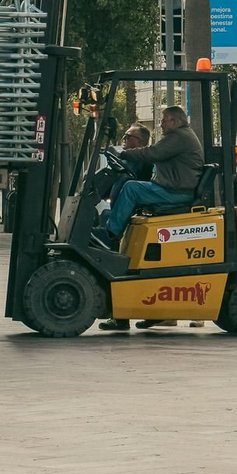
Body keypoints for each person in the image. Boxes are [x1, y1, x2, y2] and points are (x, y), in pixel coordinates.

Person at [94, 105, 203, 248]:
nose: (161, 124)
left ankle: (110, 235)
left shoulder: (178, 136)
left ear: (175, 122)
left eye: (164, 121)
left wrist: (123, 154)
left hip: (176, 192)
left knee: (131, 188)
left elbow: (152, 153)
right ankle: (116, 233)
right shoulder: (181, 135)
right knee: (131, 185)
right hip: (175, 189)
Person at [100, 123, 155, 332]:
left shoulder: (140, 159)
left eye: (128, 137)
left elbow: (130, 180)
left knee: (113, 259)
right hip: (125, 212)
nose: (124, 140)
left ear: (139, 142)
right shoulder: (130, 159)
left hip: (130, 215)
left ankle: (120, 316)